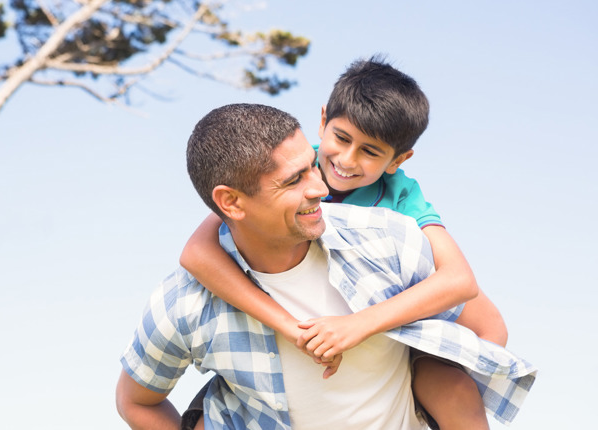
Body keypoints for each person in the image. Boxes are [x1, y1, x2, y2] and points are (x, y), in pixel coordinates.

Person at [116, 103, 536, 430]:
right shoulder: (185, 303)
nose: (322, 187)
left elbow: (484, 323)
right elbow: (135, 401)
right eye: (293, 180)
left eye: (312, 166)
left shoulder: (389, 238)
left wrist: (442, 392)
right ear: (231, 202)